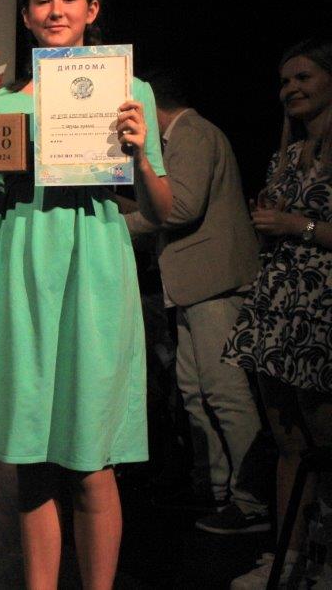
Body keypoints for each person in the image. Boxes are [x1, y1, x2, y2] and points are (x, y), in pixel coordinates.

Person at [0, 0, 172, 589]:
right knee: (33, 459)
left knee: (92, 461)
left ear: (91, 10)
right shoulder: (2, 101)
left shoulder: (130, 91)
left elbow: (160, 210)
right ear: (25, 15)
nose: (56, 10)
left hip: (95, 267)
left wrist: (139, 156)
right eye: (43, 0)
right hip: (21, 267)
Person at [124, 70, 269, 534]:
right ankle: (216, 490)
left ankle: (252, 501)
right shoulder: (184, 136)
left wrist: (116, 226)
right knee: (195, 391)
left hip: (215, 284)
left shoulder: (191, 133)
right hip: (194, 284)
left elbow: (181, 207)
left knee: (224, 393)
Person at [224, 37, 332, 589]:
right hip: (280, 303)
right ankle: (288, 560)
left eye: (303, 77)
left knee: (325, 444)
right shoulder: (287, 156)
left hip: (322, 309)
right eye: (285, 81)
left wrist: (297, 226)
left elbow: (306, 227)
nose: (291, 89)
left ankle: (323, 559)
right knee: (287, 438)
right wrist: (269, 222)